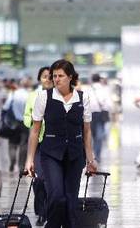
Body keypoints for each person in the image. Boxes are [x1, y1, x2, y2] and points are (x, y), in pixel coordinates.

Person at [25, 59, 97, 228]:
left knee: (71, 200)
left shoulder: (83, 97)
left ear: (70, 77)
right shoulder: (44, 97)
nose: (56, 79)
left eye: (61, 76)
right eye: (54, 76)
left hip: (75, 155)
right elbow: (35, 131)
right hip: (51, 154)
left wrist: (91, 159)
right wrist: (29, 159)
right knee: (57, 197)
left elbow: (86, 131)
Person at [23, 66, 52, 226]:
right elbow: (26, 115)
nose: (47, 79)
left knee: (52, 180)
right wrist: (34, 122)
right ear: (39, 78)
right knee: (39, 179)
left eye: (50, 76)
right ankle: (41, 212)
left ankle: (49, 211)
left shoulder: (59, 95)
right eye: (44, 76)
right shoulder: (33, 96)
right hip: (39, 142)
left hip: (55, 143)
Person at [3, 79, 30, 172]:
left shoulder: (13, 94)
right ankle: (21, 166)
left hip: (13, 122)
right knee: (24, 144)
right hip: (25, 123)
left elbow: (5, 107)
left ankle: (12, 161)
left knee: (12, 144)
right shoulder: (28, 95)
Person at [87, 74, 112, 163]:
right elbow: (109, 105)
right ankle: (97, 155)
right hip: (101, 115)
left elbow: (85, 104)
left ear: (92, 80)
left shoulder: (88, 90)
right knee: (99, 136)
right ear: (100, 80)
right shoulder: (105, 89)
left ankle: (92, 154)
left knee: (91, 135)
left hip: (90, 115)